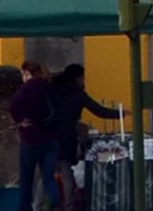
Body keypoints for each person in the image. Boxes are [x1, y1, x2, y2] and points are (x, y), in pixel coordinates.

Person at [52, 64, 120, 211]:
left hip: (50, 134)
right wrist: (119, 113)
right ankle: (68, 206)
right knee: (66, 172)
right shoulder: (78, 94)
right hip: (67, 136)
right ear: (78, 78)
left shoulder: (53, 90)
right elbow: (99, 110)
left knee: (47, 171)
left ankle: (38, 204)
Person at [9, 61, 63, 211]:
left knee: (26, 178)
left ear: (26, 73)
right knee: (48, 177)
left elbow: (13, 105)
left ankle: (25, 208)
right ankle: (55, 203)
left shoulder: (27, 88)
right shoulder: (48, 85)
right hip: (51, 138)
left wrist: (20, 120)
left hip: (31, 138)